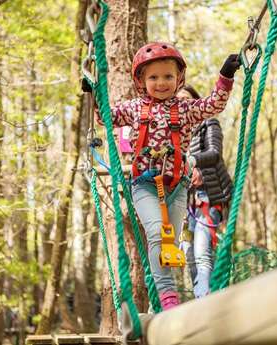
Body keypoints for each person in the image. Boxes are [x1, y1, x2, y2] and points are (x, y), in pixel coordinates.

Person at [83, 42, 241, 310]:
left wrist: (225, 77)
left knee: (172, 242)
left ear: (179, 79)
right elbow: (105, 118)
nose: (161, 83)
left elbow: (214, 105)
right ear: (142, 81)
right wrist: (95, 93)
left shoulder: (186, 109)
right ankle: (168, 296)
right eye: (153, 77)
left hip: (177, 187)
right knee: (157, 233)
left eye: (168, 76)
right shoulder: (134, 108)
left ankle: (171, 294)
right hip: (144, 185)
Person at [178, 85, 233, 299]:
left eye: (186, 99)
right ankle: (202, 296)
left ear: (195, 102)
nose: (181, 104)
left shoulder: (208, 124)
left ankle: (204, 301)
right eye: (177, 100)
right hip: (185, 201)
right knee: (188, 253)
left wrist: (191, 162)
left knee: (201, 251)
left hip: (208, 196)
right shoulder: (173, 132)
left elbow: (214, 153)